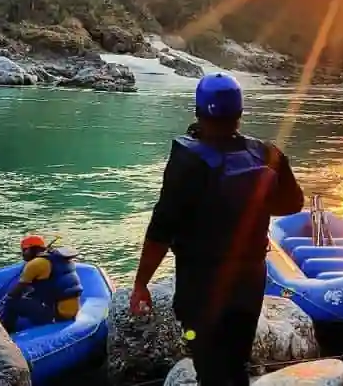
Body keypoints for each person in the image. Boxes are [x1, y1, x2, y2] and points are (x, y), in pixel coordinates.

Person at [129, 72, 305, 385]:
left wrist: (141, 283)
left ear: (198, 111)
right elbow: (292, 205)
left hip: (201, 284)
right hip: (249, 280)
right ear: (239, 113)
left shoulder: (188, 160)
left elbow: (161, 229)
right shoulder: (268, 153)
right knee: (235, 359)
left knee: (208, 361)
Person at [0, 235, 83, 333]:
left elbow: (17, 292)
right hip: (71, 312)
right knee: (31, 296)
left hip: (57, 314)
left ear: (31, 250)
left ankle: (7, 333)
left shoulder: (35, 264)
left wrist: (8, 296)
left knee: (11, 303)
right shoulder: (59, 259)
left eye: (24, 250)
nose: (23, 254)